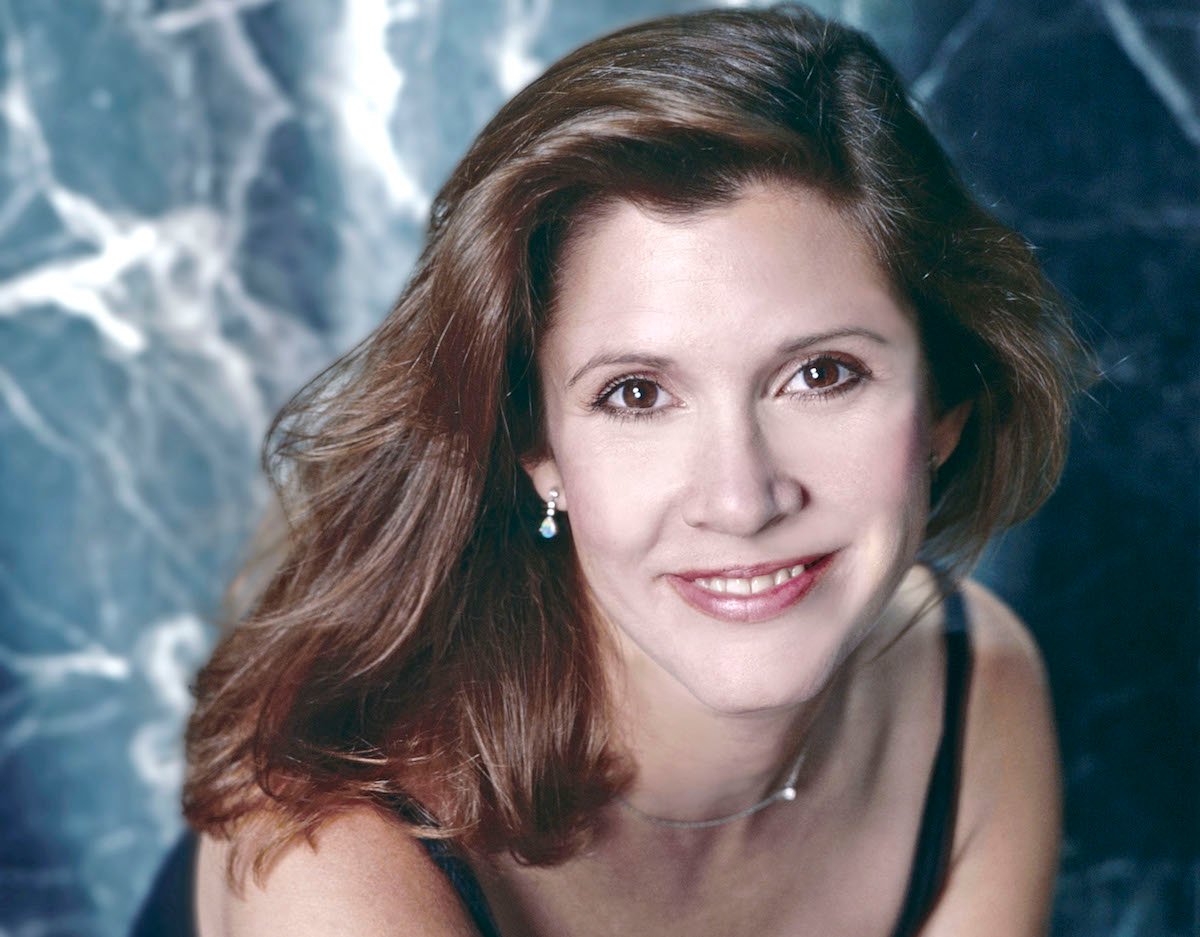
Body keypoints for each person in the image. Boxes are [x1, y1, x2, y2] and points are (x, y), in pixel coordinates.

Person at [133, 4, 1091, 935]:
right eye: (636, 394)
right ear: (534, 446)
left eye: (821, 374)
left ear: (946, 406)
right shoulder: (337, 837)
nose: (741, 497)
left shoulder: (975, 685)